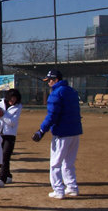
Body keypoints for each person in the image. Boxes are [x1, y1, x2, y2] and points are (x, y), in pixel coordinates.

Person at [32, 70, 83, 199]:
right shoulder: (71, 91)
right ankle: (72, 187)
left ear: (55, 80)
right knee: (69, 162)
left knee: (55, 163)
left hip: (62, 133)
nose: (48, 82)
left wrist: (42, 130)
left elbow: (52, 115)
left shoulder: (56, 93)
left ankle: (58, 190)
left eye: (49, 80)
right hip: (75, 131)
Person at [0, 89, 22, 187]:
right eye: (10, 98)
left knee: (5, 156)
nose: (12, 101)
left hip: (10, 135)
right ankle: (8, 176)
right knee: (0, 156)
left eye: (14, 99)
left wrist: (2, 115)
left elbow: (12, 122)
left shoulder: (18, 107)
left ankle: (1, 179)